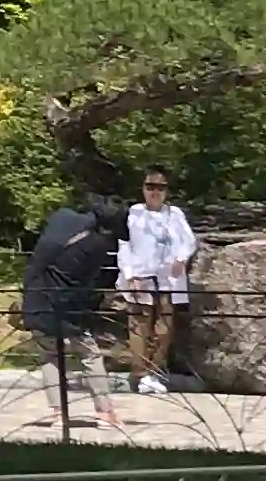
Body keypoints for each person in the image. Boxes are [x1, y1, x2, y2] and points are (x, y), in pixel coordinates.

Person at [20, 195, 123, 425]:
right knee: (89, 354)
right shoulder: (99, 246)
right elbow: (90, 283)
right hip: (68, 306)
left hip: (37, 297)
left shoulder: (62, 217)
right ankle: (105, 412)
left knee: (49, 355)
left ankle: (59, 413)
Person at [117, 167, 198, 394]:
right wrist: (130, 275)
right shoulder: (133, 214)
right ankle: (140, 374)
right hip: (140, 279)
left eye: (160, 188)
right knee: (140, 327)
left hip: (167, 280)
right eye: (149, 187)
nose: (154, 192)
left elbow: (189, 241)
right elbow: (124, 246)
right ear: (142, 189)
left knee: (164, 328)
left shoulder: (175, 214)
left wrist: (181, 258)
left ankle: (153, 371)